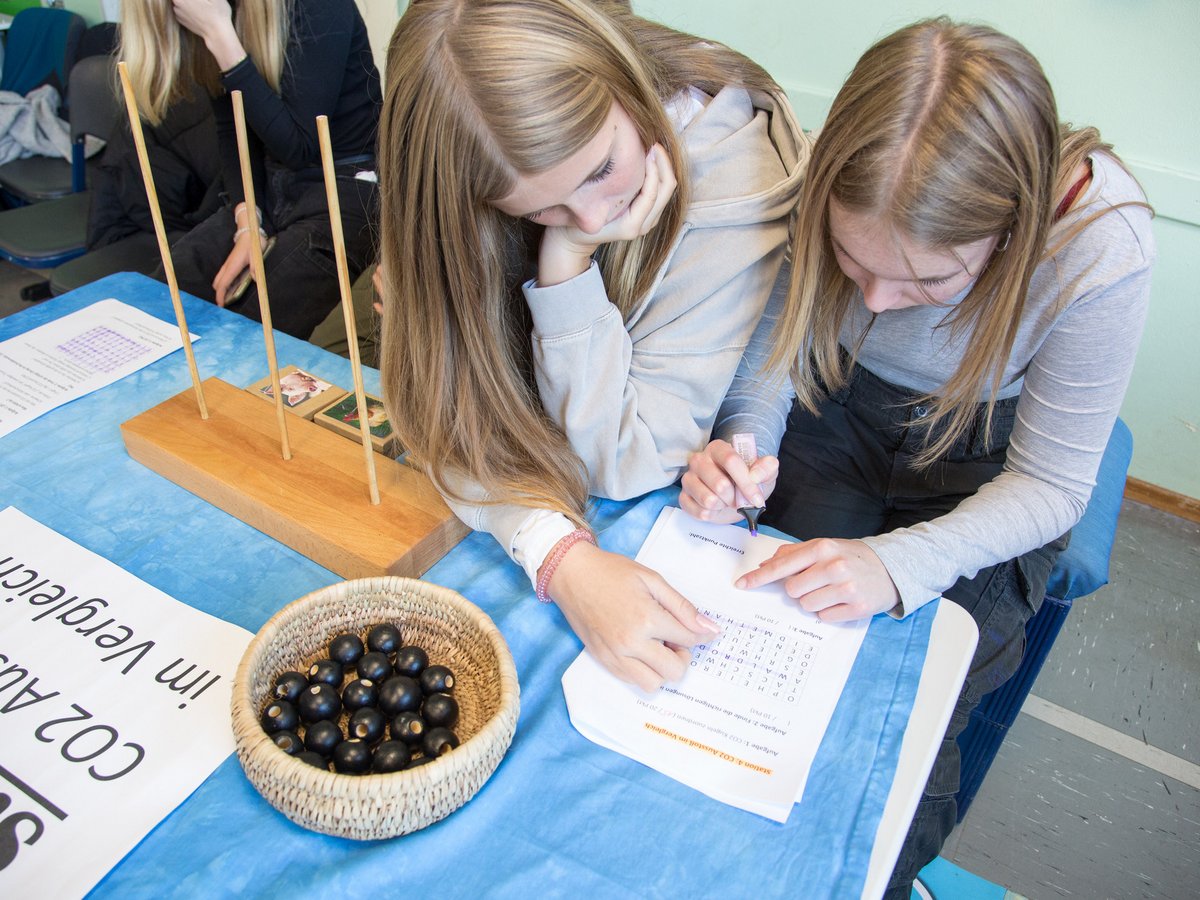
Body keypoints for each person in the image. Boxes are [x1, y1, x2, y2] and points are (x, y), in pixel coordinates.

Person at [679, 18, 1154, 897]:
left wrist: (897, 565)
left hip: (994, 459)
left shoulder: (1101, 243)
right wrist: (743, 447)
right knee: (766, 638)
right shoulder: (845, 166)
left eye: (930, 283)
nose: (877, 301)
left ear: (1014, 230)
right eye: (852, 262)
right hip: (843, 408)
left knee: (910, 722)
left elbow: (1050, 484)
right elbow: (779, 354)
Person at [375, 0, 809, 691]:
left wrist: (565, 264)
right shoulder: (455, 153)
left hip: (661, 512)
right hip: (576, 524)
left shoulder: (735, 177)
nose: (591, 216)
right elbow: (444, 411)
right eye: (537, 209)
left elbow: (626, 461)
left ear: (625, 83)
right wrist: (557, 555)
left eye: (601, 169)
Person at [120, 0, 382, 339]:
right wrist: (247, 222)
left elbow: (300, 145)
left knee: (242, 339)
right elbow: (233, 129)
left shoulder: (316, 6)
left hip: (345, 188)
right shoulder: (218, 10)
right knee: (153, 311)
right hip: (270, 187)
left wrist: (220, 34)